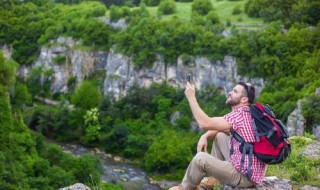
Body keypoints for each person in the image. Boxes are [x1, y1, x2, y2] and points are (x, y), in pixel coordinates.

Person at [169, 82, 267, 190]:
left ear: (244, 99)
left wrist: (191, 97)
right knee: (220, 136)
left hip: (244, 176)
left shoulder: (239, 116)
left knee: (200, 158)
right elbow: (220, 127)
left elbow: (204, 123)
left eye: (235, 91)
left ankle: (184, 188)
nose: (230, 92)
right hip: (251, 170)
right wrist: (205, 136)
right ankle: (214, 179)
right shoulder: (248, 113)